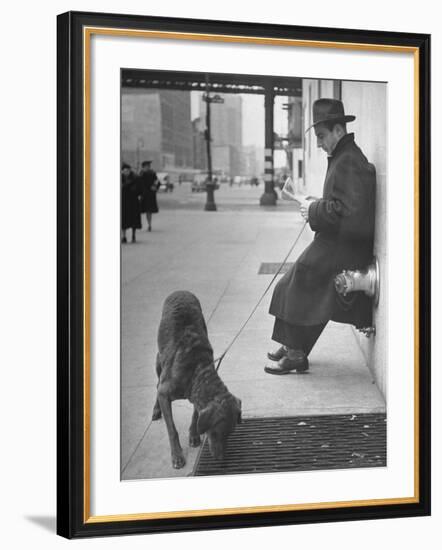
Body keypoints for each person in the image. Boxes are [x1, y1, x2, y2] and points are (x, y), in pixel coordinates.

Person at [265, 98, 376, 375]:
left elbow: (350, 214)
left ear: (339, 130)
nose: (319, 143)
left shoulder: (348, 160)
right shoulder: (344, 156)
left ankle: (295, 351)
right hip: (338, 241)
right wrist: (313, 204)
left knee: (299, 279)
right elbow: (341, 205)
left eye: (322, 136)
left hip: (346, 246)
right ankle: (294, 347)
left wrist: (313, 209)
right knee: (292, 282)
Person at [121, 163, 141, 243]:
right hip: (123, 202)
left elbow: (140, 189)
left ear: (130, 170)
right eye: (124, 171)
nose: (126, 172)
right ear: (122, 171)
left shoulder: (136, 178)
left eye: (127, 171)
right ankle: (124, 236)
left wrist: (139, 195)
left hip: (133, 201)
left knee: (134, 220)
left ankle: (133, 235)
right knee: (123, 220)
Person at [138, 160, 160, 231]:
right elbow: (138, 183)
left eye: (149, 166)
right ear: (143, 167)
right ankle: (139, 224)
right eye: (147, 166)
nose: (148, 167)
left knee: (149, 210)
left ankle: (149, 224)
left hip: (150, 195)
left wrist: (155, 186)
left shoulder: (152, 173)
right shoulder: (141, 173)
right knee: (141, 210)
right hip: (144, 194)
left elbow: (157, 181)